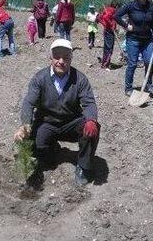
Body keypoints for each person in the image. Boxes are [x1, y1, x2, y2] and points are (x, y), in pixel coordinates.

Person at [14, 39, 100, 186]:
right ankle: (52, 150)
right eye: (57, 57)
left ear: (71, 59)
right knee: (40, 152)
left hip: (71, 123)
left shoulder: (80, 79)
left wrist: (91, 119)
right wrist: (25, 125)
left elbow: (89, 102)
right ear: (51, 58)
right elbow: (29, 102)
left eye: (66, 57)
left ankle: (83, 167)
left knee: (93, 129)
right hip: (47, 123)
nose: (61, 61)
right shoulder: (40, 78)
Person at [114, 0, 153, 96]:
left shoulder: (150, 5)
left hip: (148, 40)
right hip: (133, 39)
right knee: (132, 64)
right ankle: (128, 88)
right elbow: (116, 16)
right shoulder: (131, 5)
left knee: (150, 62)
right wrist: (126, 26)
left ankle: (148, 85)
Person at [97, 2, 118, 69]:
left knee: (106, 48)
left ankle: (104, 63)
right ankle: (106, 64)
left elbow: (100, 17)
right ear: (116, 6)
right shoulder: (113, 10)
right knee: (109, 48)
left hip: (106, 31)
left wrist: (104, 24)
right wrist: (111, 24)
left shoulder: (107, 9)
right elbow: (105, 17)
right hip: (109, 31)